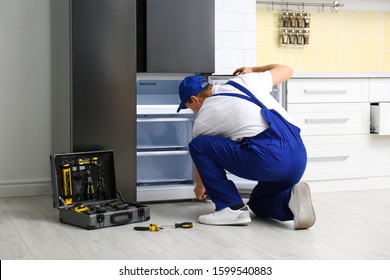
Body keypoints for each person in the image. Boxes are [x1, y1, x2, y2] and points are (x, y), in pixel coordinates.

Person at [176, 64, 316, 230]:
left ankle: (231, 208)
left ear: (194, 99)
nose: (192, 112)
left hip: (271, 160)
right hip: (298, 156)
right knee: (258, 204)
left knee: (198, 144)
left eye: (188, 107)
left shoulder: (205, 117)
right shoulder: (245, 80)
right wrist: (253, 69)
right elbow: (287, 70)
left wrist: (200, 187)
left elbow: (201, 155)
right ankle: (290, 201)